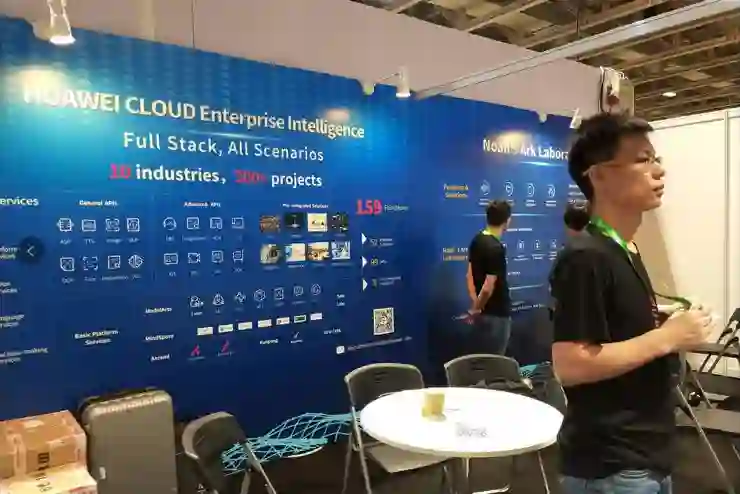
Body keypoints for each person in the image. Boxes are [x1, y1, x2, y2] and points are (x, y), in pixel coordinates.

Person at [549, 113, 712, 494]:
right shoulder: (586, 256)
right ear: (598, 175)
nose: (659, 171)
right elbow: (571, 365)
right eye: (642, 159)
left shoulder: (624, 248)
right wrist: (668, 338)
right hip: (612, 466)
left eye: (656, 159)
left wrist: (664, 325)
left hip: (645, 455)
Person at [465, 199, 512, 355]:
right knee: (495, 361)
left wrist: (476, 304)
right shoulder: (496, 248)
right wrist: (476, 308)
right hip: (497, 316)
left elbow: (469, 275)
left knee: (482, 359)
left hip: (482, 314)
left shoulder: (477, 240)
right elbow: (488, 287)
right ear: (507, 221)